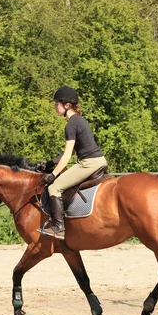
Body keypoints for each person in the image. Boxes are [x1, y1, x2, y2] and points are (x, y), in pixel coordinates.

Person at [39, 86, 107, 240]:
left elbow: (69, 154)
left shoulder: (71, 124)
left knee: (55, 188)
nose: (55, 107)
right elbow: (74, 150)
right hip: (98, 160)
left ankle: (58, 227)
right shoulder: (79, 120)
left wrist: (53, 174)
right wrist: (51, 162)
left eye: (57, 104)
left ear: (67, 105)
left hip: (89, 163)